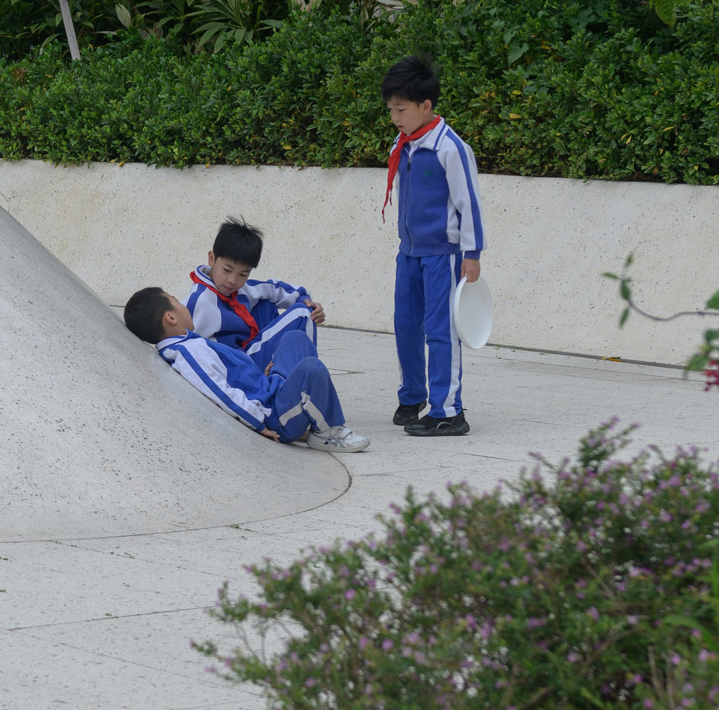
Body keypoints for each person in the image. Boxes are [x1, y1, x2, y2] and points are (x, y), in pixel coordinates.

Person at [123, 287, 369, 452]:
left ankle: (312, 411)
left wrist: (262, 378)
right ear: (171, 318)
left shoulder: (188, 342)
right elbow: (218, 391)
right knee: (311, 369)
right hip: (274, 415)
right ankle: (327, 432)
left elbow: (234, 375)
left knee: (295, 338)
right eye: (176, 302)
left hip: (270, 391)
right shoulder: (186, 353)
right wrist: (259, 423)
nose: (182, 304)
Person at [380, 54, 482, 437]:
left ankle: (448, 410)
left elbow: (468, 202)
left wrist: (471, 254)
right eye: (391, 109)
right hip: (409, 252)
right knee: (405, 324)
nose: (395, 117)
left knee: (441, 329)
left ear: (426, 106)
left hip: (443, 252)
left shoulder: (449, 148)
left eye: (401, 109)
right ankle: (413, 396)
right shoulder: (404, 142)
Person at [185, 217, 329, 370]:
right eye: (227, 270)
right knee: (302, 314)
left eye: (243, 274)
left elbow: (277, 289)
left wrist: (307, 300)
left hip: (249, 350)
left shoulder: (241, 289)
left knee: (268, 304)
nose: (233, 280)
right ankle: (307, 379)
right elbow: (183, 343)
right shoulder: (200, 301)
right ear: (211, 259)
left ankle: (291, 370)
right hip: (239, 366)